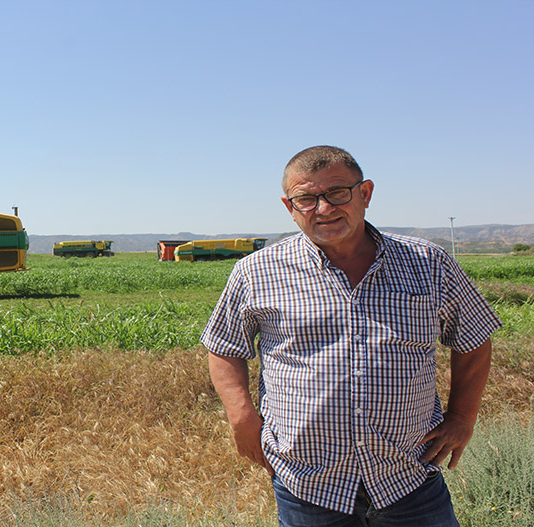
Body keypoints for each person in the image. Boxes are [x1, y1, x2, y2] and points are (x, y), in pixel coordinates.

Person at [201, 146, 502, 526]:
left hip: (409, 475)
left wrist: (462, 415)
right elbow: (224, 346)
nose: (323, 209)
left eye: (337, 193)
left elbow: (473, 337)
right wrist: (241, 416)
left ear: (366, 194)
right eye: (306, 199)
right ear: (289, 206)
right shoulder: (257, 272)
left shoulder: (427, 263)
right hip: (309, 483)